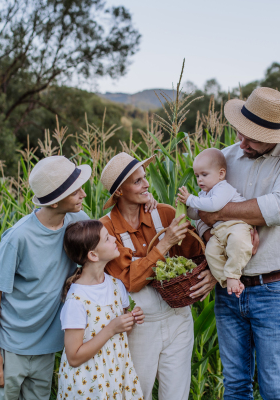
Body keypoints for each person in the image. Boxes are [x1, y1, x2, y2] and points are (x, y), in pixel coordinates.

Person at [198, 87, 280, 400]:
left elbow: (279, 209)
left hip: (273, 289)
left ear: (276, 135)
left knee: (275, 389)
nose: (243, 143)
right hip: (229, 289)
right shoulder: (228, 156)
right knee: (235, 387)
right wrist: (214, 236)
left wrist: (220, 213)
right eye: (241, 132)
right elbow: (198, 212)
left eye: (253, 137)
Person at [98, 152, 217, 400]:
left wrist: (212, 273)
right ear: (119, 191)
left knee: (176, 394)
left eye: (145, 178)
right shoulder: (106, 229)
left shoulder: (163, 213)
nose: (147, 184)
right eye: (138, 181)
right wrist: (165, 244)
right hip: (139, 323)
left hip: (178, 318)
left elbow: (199, 251)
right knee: (137, 393)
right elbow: (129, 281)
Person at [0, 156, 91, 400]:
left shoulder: (77, 222)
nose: (83, 194)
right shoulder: (18, 237)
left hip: (47, 347)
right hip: (11, 346)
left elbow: (107, 237)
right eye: (75, 192)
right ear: (54, 203)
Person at [57, 219, 145, 400]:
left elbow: (121, 332)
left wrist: (130, 320)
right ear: (93, 255)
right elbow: (74, 357)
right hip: (88, 383)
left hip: (114, 374)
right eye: (107, 239)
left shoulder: (115, 285)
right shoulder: (76, 300)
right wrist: (112, 328)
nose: (114, 239)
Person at [176, 148, 252, 297]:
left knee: (238, 242)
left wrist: (192, 199)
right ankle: (227, 281)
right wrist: (187, 205)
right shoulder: (204, 194)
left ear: (221, 174)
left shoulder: (223, 188)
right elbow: (196, 215)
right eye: (197, 176)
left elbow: (214, 205)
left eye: (204, 175)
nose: (199, 180)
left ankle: (233, 275)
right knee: (210, 252)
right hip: (218, 232)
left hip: (236, 226)